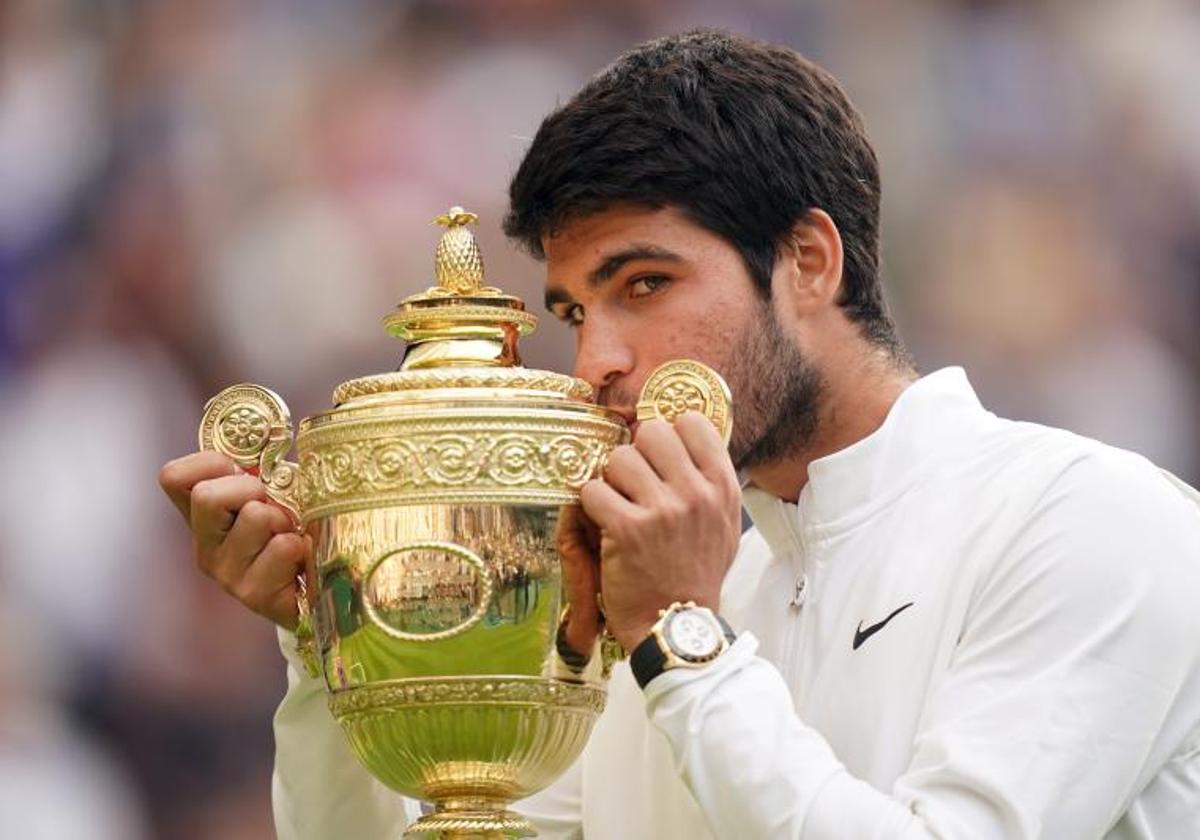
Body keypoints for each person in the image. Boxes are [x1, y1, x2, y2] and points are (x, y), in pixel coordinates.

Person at [159, 30, 1200, 839]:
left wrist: (683, 639)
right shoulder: (684, 600)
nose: (596, 361)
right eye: (573, 311)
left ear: (808, 261)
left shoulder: (1093, 522)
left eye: (644, 284)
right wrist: (332, 633)